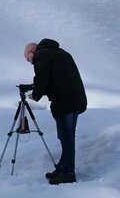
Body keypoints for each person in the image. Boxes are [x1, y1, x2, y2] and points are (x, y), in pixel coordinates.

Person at [24, 39, 87, 184]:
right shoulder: (59, 53)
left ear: (31, 52)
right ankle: (62, 168)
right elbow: (54, 78)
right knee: (66, 136)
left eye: (28, 60)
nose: (30, 63)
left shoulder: (41, 55)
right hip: (75, 100)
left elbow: (42, 79)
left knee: (67, 138)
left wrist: (35, 95)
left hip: (66, 102)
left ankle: (68, 173)